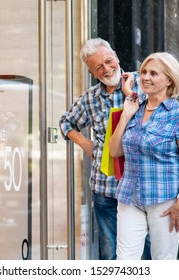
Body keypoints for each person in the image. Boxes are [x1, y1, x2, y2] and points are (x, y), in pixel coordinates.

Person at [59, 38, 147, 260]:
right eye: (99, 67)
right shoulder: (90, 98)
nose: (107, 69)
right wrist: (86, 143)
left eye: (109, 61)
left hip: (140, 185)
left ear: (116, 56)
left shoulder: (143, 83)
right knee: (110, 254)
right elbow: (65, 123)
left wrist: (129, 94)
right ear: (93, 73)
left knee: (144, 253)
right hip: (105, 189)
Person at [108, 52, 179, 260]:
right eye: (144, 72)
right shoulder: (134, 108)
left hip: (164, 199)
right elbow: (114, 151)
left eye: (153, 73)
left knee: (163, 261)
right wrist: (126, 115)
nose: (146, 77)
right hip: (130, 196)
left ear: (169, 80)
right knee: (124, 261)